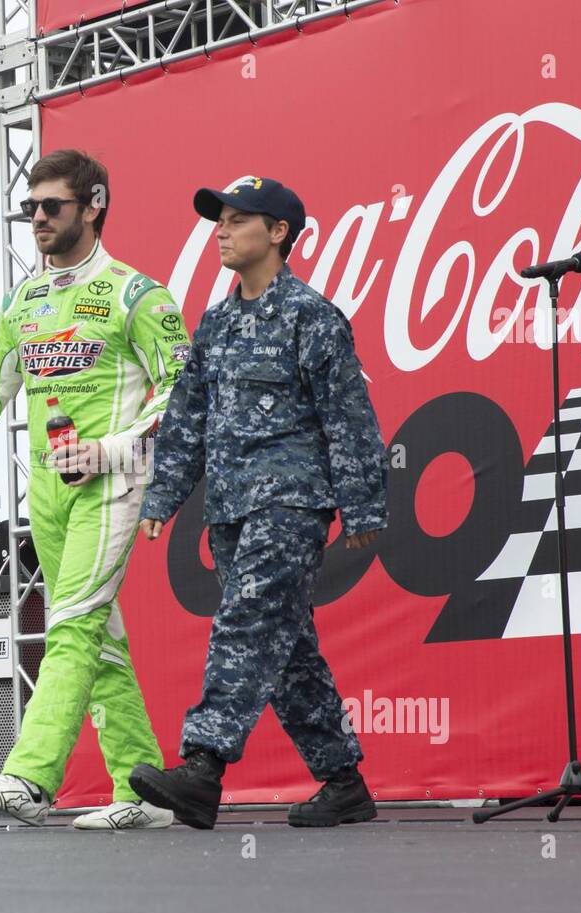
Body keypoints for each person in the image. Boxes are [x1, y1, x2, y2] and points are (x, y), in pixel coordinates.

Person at [0, 149, 188, 831]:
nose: (36, 218)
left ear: (93, 205)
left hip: (113, 483)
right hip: (49, 498)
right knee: (101, 642)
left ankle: (31, 777)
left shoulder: (134, 293)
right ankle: (145, 793)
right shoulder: (24, 300)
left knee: (72, 626)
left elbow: (183, 391)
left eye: (51, 206)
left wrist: (111, 450)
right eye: (29, 208)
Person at [127, 177, 389, 830]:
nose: (222, 230)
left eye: (239, 220)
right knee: (287, 651)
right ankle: (343, 784)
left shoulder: (311, 315)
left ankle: (203, 768)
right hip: (230, 511)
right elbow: (186, 416)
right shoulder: (214, 323)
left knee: (244, 627)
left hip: (292, 504)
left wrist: (361, 505)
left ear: (277, 233)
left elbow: (349, 417)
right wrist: (164, 495)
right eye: (220, 219)